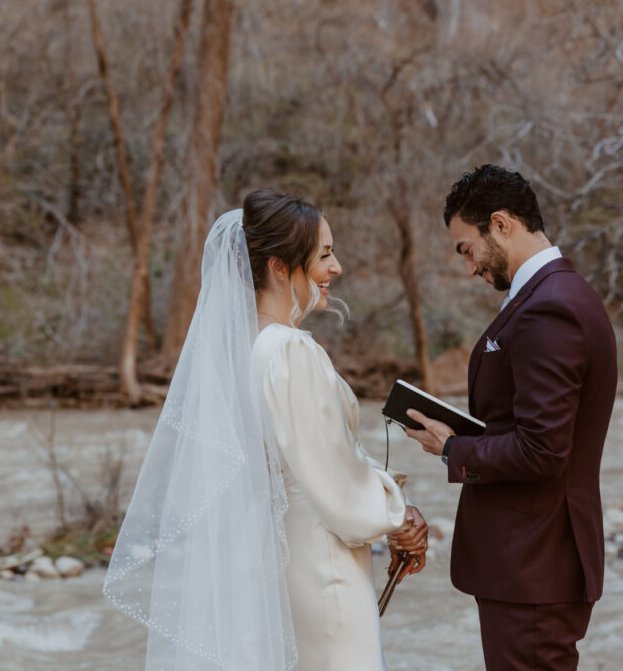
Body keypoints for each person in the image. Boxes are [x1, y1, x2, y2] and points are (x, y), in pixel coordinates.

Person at [105, 189, 428, 670]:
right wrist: (399, 516)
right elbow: (334, 479)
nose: (336, 267)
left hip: (271, 565)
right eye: (324, 254)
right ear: (280, 267)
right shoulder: (290, 353)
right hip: (322, 567)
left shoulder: (237, 352)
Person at [404, 165, 617, 670]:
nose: (470, 268)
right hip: (531, 564)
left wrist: (452, 448)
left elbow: (543, 450)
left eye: (466, 249)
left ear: (500, 224)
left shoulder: (551, 308)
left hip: (535, 564)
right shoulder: (548, 296)